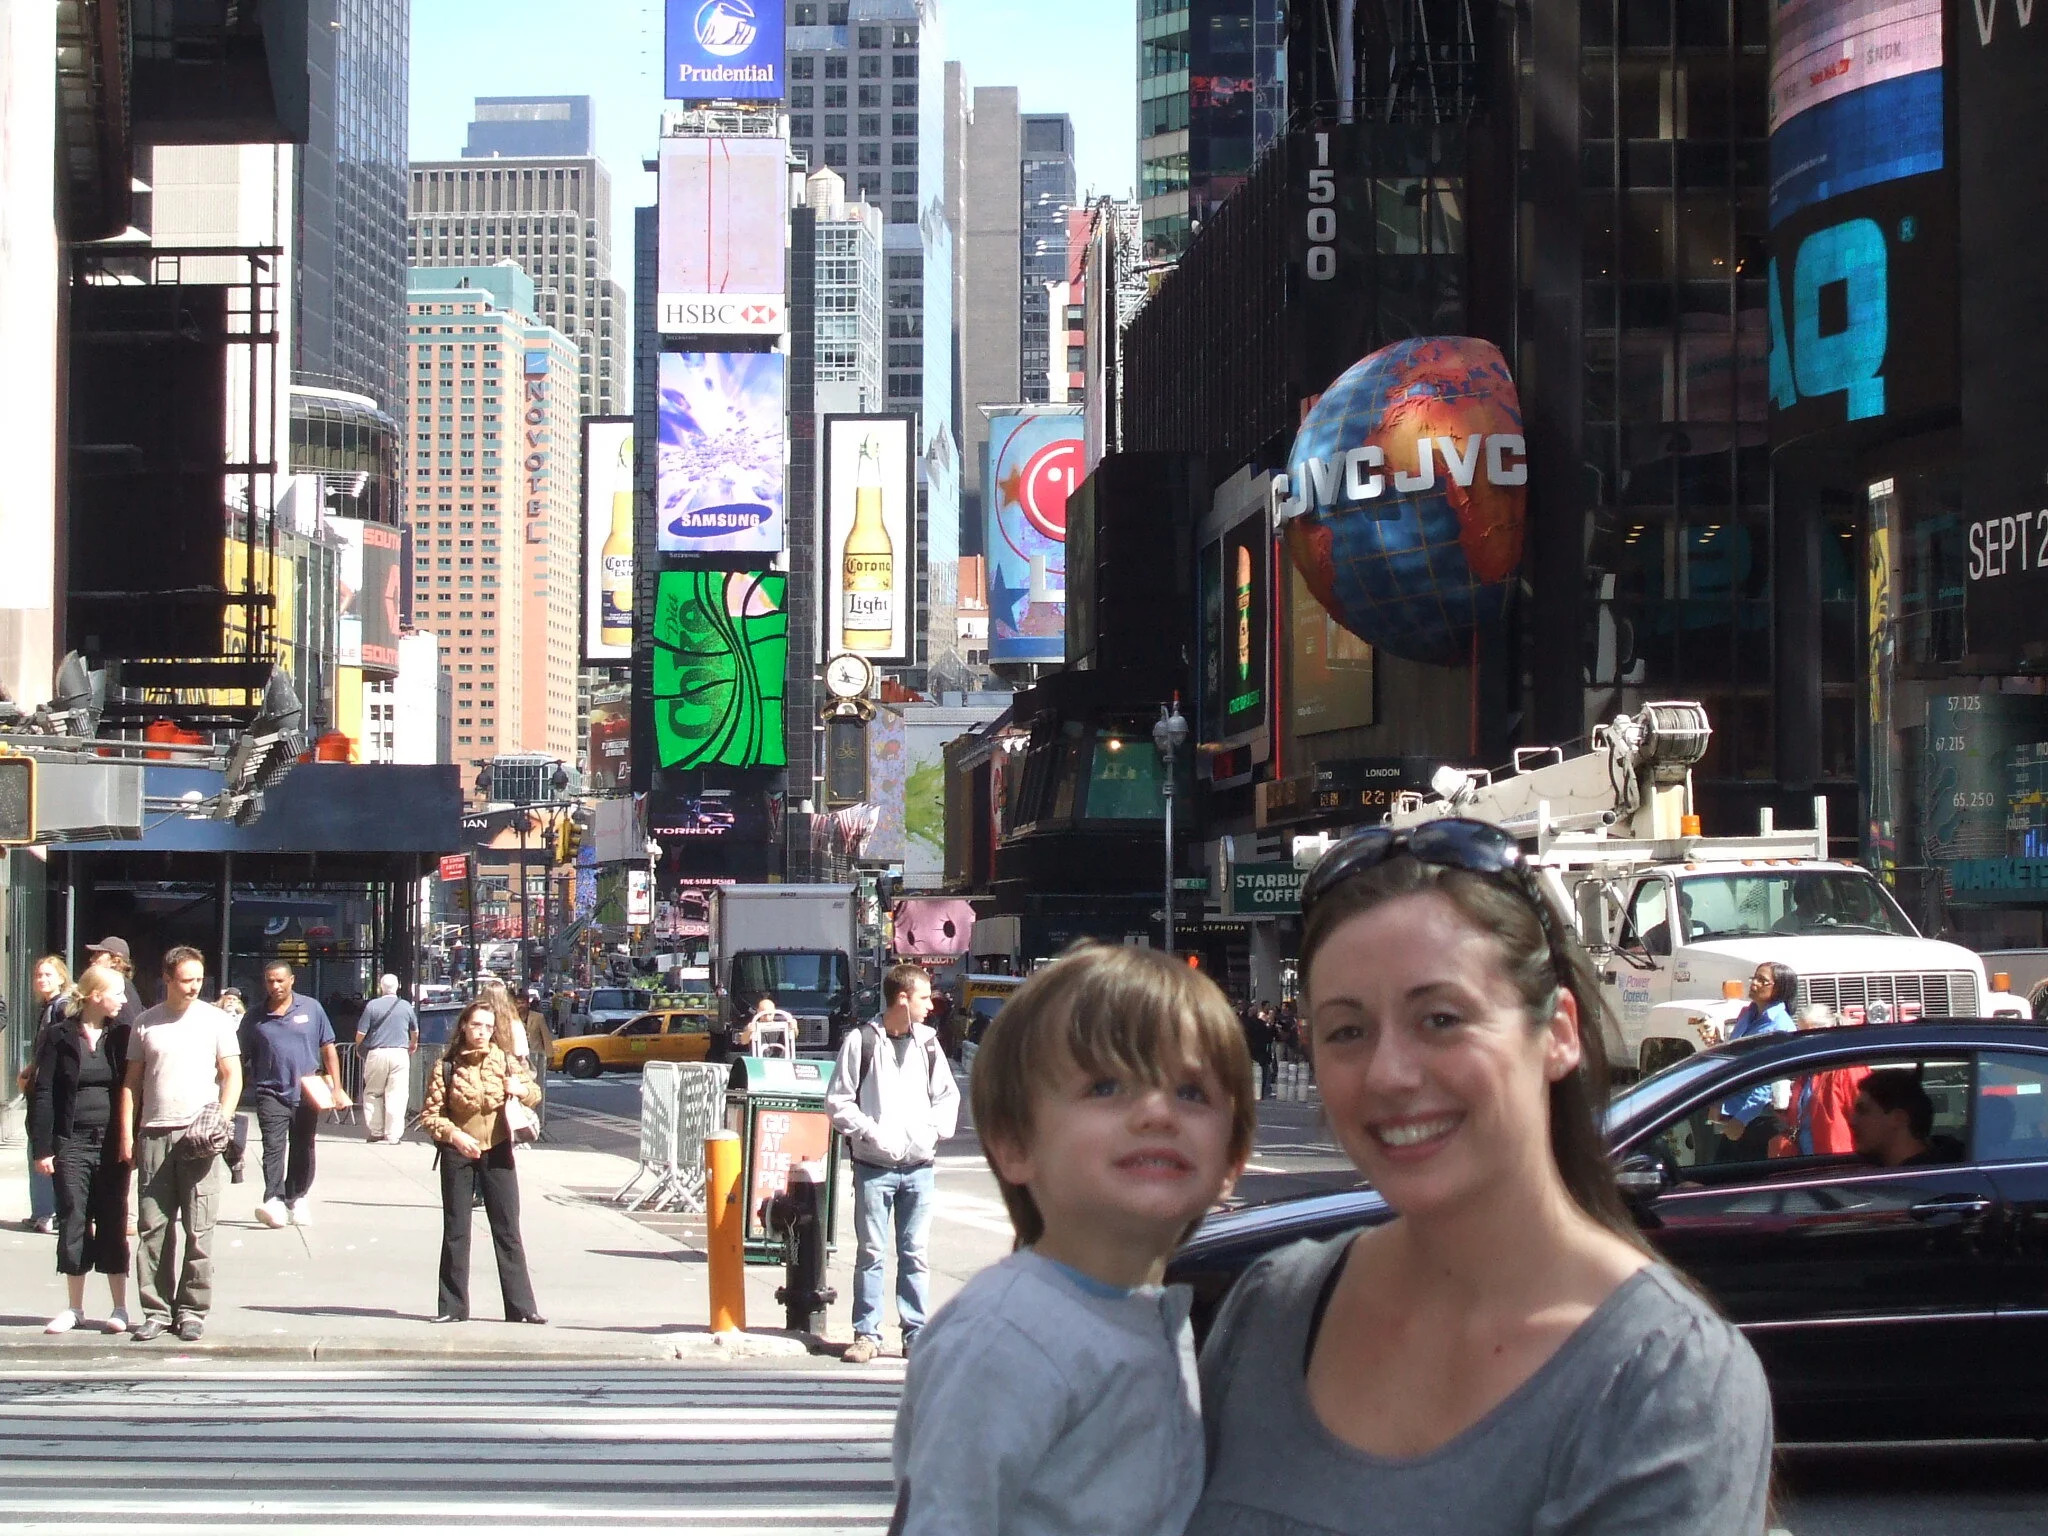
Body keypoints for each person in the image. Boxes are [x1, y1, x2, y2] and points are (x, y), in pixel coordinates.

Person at [1186, 820, 1772, 1535]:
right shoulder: (1268, 1312)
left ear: (1557, 1033)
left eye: (1440, 1018)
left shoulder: (1665, 1379)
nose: (1389, 1074)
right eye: (1347, 1031)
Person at [890, 943, 1255, 1536]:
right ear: (1014, 1144)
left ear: (1231, 1162)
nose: (1158, 1113)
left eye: (1191, 1093)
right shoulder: (1004, 1335)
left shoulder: (1155, 1314)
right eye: (1107, 1087)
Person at [825, 963, 961, 1364]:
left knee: (915, 1252)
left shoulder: (930, 1045)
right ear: (902, 999)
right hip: (874, 1167)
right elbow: (837, 1101)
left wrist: (933, 1131)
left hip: (919, 1166)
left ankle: (915, 1332)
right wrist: (870, 1130)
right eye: (923, 998)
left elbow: (947, 1097)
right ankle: (867, 1334)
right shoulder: (862, 1041)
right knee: (871, 1252)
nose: (930, 1006)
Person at [117, 946, 242, 1343]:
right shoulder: (146, 1023)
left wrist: (220, 1119)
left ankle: (192, 1310)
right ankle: (155, 1309)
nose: (193, 988)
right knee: (153, 1228)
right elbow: (131, 1085)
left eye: (198, 980)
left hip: (199, 1136)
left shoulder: (216, 1021)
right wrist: (127, 1135)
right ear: (167, 978)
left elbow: (232, 1075)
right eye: (186, 980)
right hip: (155, 1132)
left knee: (199, 1229)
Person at [417, 1000, 545, 1324]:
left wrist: (520, 1088)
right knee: (456, 1230)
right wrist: (454, 1136)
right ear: (464, 1026)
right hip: (459, 1149)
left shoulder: (503, 1060)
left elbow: (533, 1092)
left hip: (498, 1148)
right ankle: (452, 1307)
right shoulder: (446, 1065)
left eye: (488, 1027)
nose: (483, 1032)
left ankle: (522, 1308)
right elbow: (431, 1115)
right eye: (477, 1025)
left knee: (507, 1229)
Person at [29, 962, 134, 1334]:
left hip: (110, 1144)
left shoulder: (122, 1035)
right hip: (71, 1141)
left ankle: (120, 1307)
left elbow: (132, 1087)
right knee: (73, 1217)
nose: (124, 999)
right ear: (95, 996)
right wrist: (42, 1147)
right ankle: (75, 1307)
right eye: (117, 993)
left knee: (113, 1218)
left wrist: (129, 1139)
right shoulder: (60, 1036)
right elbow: (42, 1092)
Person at [246, 962, 339, 1229]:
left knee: (303, 1146)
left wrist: (337, 1087)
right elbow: (239, 1055)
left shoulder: (311, 1009)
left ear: (292, 981)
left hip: (307, 1090)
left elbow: (328, 1048)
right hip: (269, 1090)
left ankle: (297, 1197)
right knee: (273, 1147)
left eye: (280, 981)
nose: (275, 986)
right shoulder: (255, 1017)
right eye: (270, 981)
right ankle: (273, 1199)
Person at [1708, 961, 1798, 1155]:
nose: (1754, 983)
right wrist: (1718, 1102)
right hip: (1733, 1113)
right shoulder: (1748, 1015)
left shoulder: (1780, 1026)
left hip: (1758, 1119)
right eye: (1754, 978)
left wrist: (1742, 1119)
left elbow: (1768, 1080)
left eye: (1762, 980)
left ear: (1779, 988)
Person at [17, 955, 74, 1234]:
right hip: (42, 1084)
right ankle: (43, 1210)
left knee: (42, 1146)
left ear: (62, 978)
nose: (42, 980)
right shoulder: (50, 1007)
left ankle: (46, 1212)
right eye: (39, 975)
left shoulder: (61, 1007)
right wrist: (30, 1069)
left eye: (48, 975)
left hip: (50, 1091)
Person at [1772, 1005, 1868, 1157]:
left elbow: (1869, 1123)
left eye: (1807, 1036)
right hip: (1808, 1165)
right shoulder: (1806, 1071)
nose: (1802, 1043)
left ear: (1826, 1032)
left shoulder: (1848, 1069)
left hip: (1840, 1167)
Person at [355, 975, 419, 1144]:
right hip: (400, 1053)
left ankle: (376, 1131)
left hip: (377, 1053)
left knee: (373, 1092)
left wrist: (359, 1048)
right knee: (397, 1094)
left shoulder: (372, 1006)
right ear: (397, 987)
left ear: (380, 987)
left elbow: (361, 1033)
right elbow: (414, 1031)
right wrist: (412, 1044)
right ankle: (393, 1135)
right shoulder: (406, 1006)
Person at [1849, 1070, 1940, 1167]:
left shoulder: (1923, 1178)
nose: (1852, 1122)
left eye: (1863, 1111)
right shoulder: (1935, 1172)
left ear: (1898, 1118)